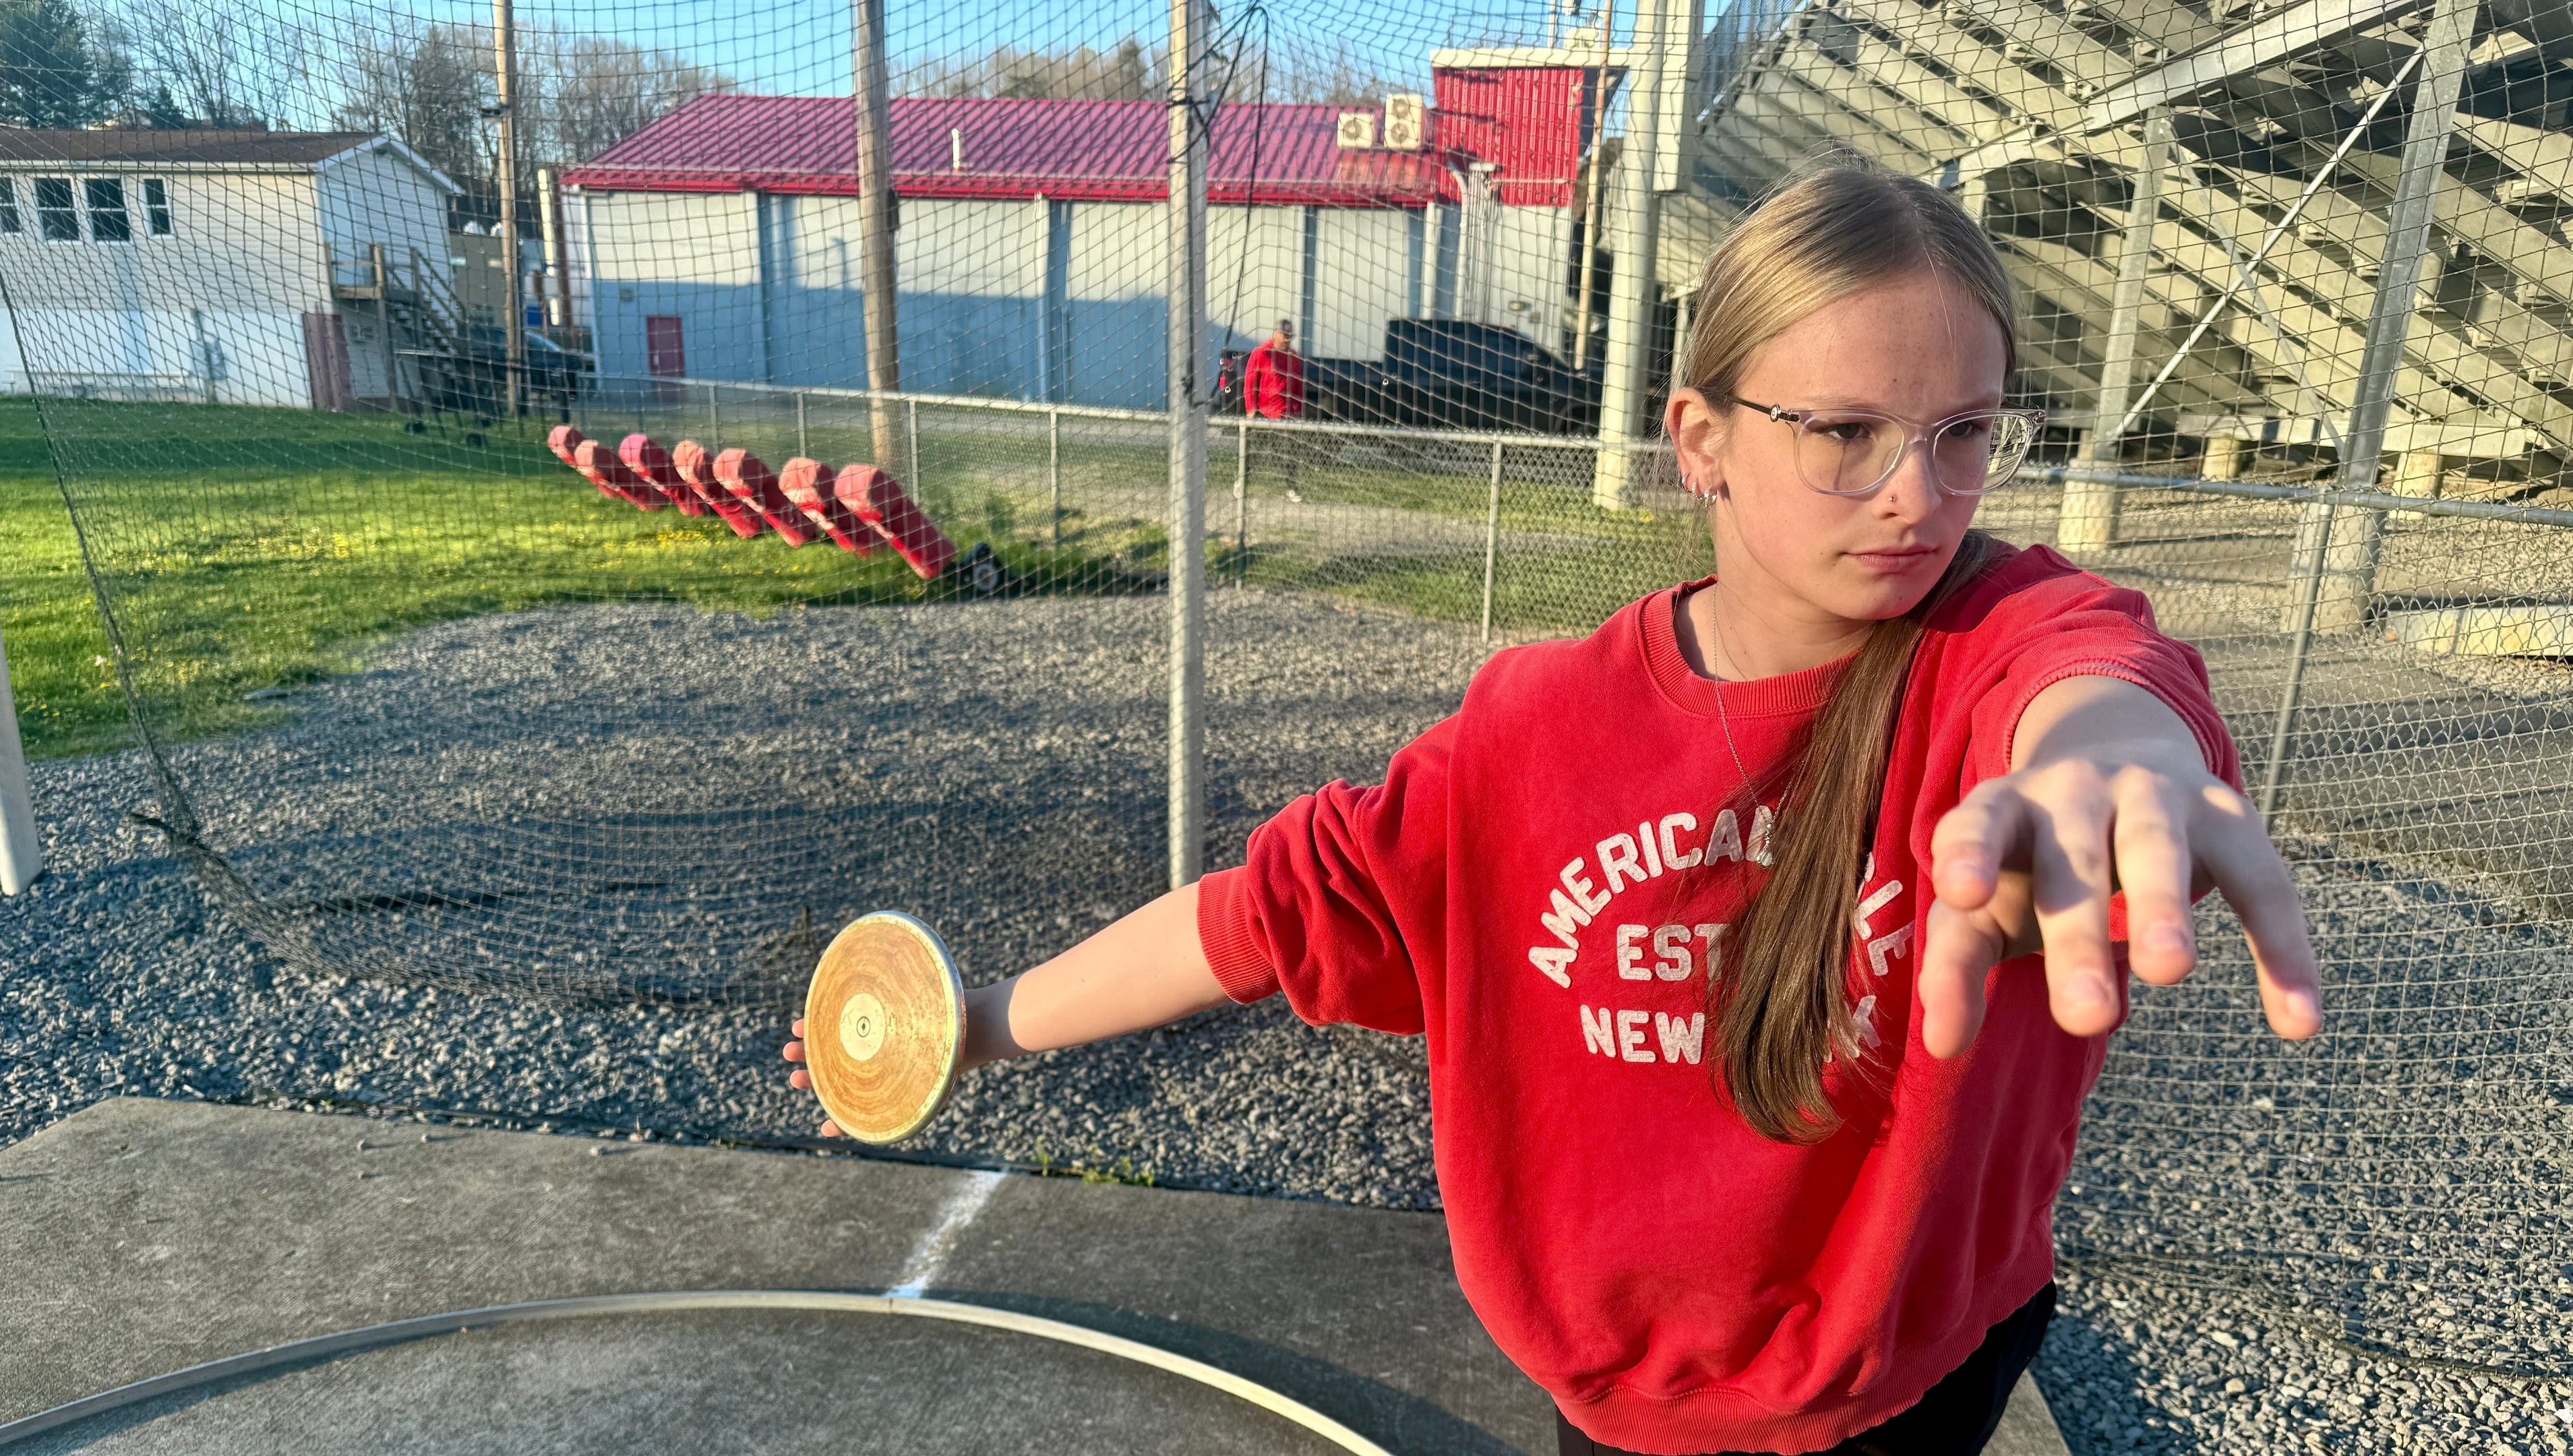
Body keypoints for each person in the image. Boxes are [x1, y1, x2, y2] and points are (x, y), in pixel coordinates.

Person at [783, 165, 2322, 1456]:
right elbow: (1258, 915)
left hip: (1905, 1374)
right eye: (1843, 431)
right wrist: (980, 1018)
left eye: (1963, 433)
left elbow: (2094, 668)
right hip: (1624, 1399)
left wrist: (2110, 744)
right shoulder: (1535, 729)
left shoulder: (1990, 649)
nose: (1914, 493)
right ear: (1700, 439)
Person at [1242, 318, 1306, 422]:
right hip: (1265, 415)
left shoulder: (1293, 357)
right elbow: (1250, 384)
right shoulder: (1262, 353)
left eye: (1290, 337)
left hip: (1288, 416)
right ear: (1276, 334)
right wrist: (1251, 410)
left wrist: (1298, 409)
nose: (1288, 340)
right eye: (1286, 336)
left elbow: (1298, 386)